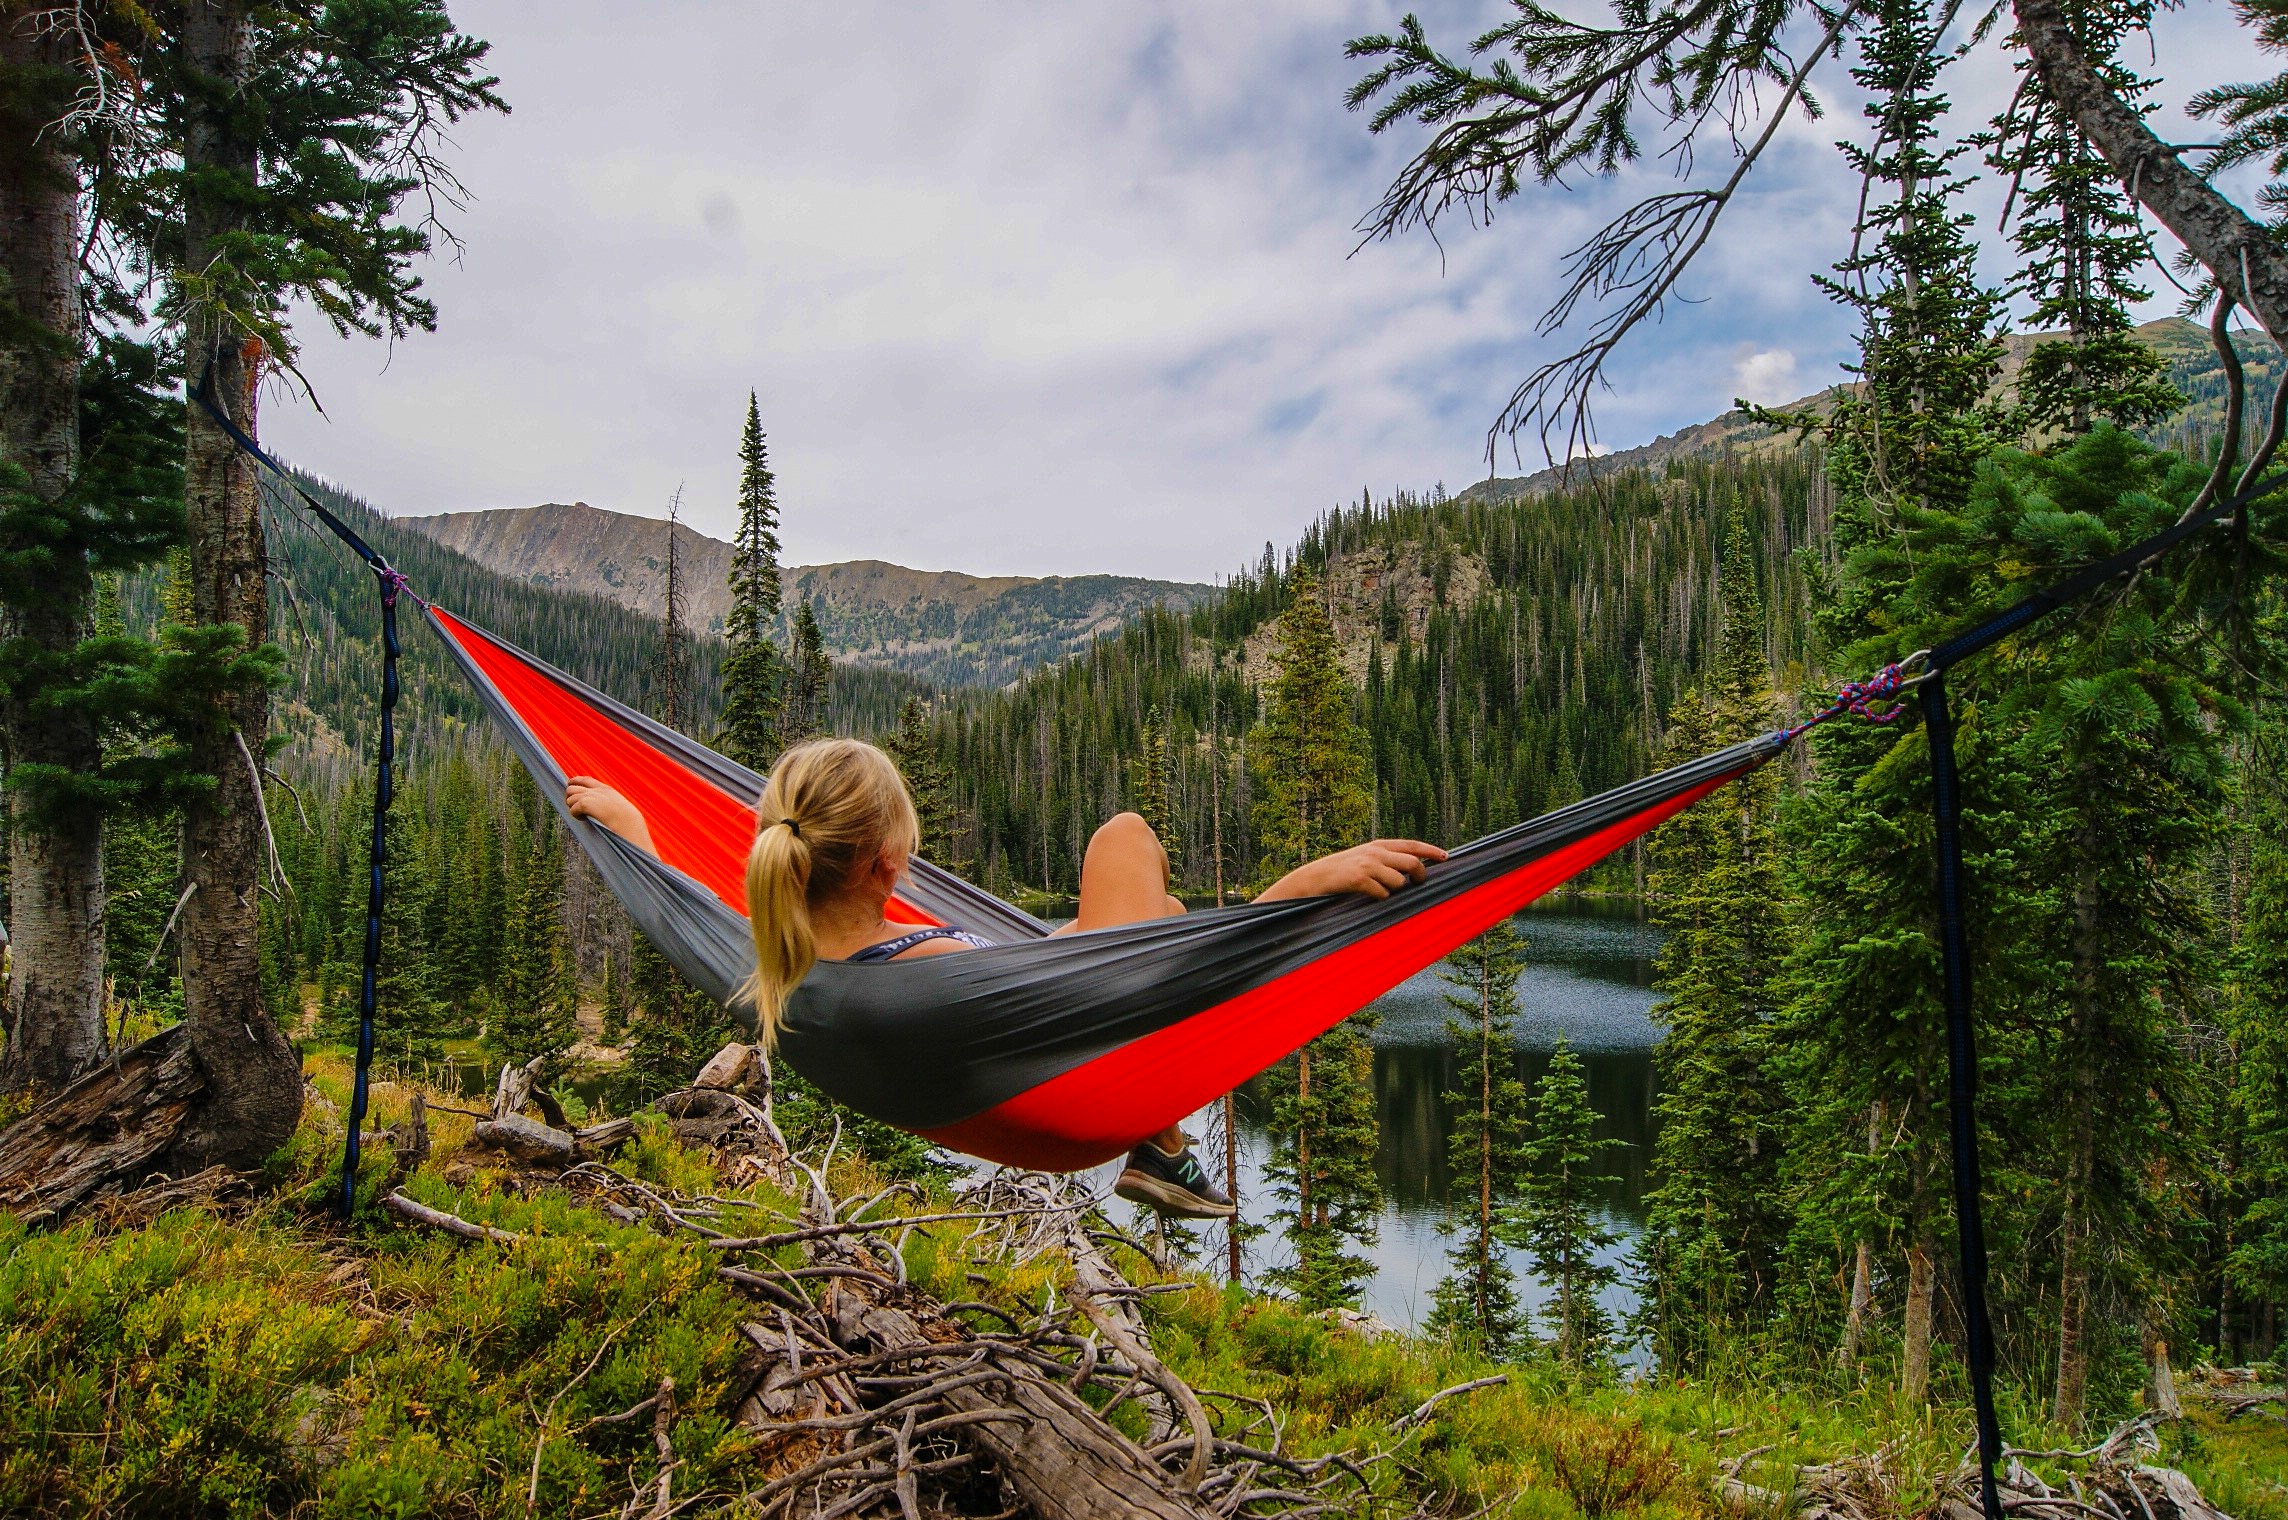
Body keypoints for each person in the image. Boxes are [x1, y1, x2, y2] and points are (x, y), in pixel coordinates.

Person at [567, 737, 1445, 1219]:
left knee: (1164, 912)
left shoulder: (773, 962)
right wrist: (1295, 894)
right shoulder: (930, 980)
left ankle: (1167, 1146)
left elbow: (683, 909)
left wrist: (635, 828)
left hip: (1015, 1053)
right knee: (1125, 837)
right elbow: (1157, 995)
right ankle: (1162, 1143)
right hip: (1075, 1100)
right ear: (886, 862)